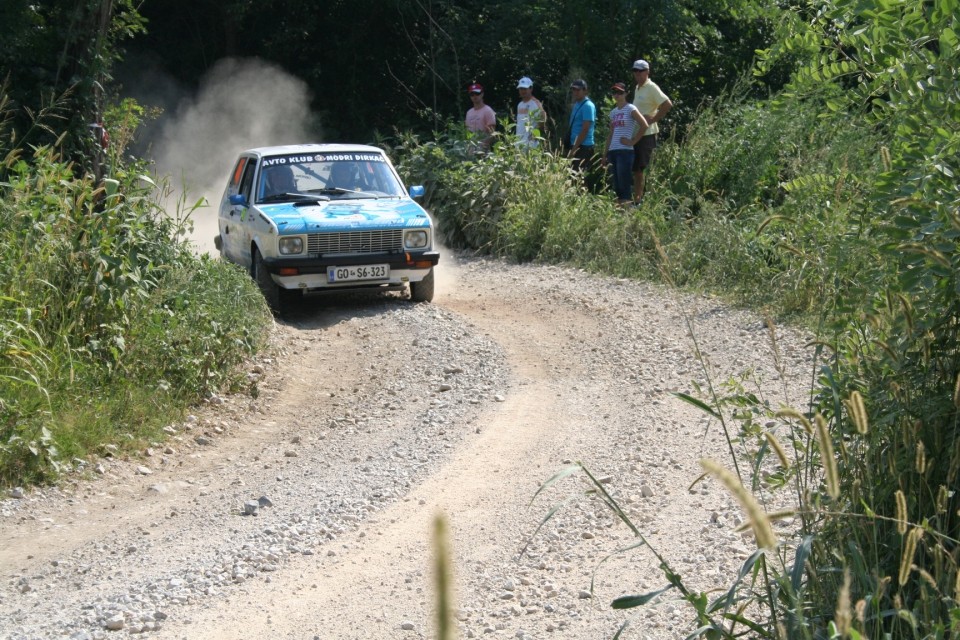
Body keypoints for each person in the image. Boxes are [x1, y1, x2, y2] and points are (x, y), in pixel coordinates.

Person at [630, 59, 672, 204]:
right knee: (636, 169)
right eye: (635, 71)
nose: (638, 74)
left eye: (641, 71)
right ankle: (637, 199)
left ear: (647, 72)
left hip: (647, 134)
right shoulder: (638, 87)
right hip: (637, 133)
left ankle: (640, 201)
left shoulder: (651, 87)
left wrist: (652, 119)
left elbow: (667, 104)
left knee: (642, 168)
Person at [602, 82, 649, 206]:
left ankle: (627, 213)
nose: (617, 95)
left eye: (620, 92)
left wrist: (632, 141)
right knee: (616, 185)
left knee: (624, 184)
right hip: (613, 151)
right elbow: (611, 133)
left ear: (626, 93)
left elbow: (644, 125)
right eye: (614, 92)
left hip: (625, 151)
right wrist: (604, 154)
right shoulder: (613, 112)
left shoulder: (631, 109)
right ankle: (620, 213)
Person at [566, 79, 596, 183]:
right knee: (572, 175)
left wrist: (574, 148)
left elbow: (585, 129)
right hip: (575, 144)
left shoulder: (588, 106)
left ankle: (582, 198)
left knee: (580, 176)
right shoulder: (577, 104)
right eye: (573, 89)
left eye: (578, 90)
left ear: (585, 91)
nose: (575, 92)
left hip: (583, 146)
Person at [515, 76, 546, 149]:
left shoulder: (536, 103)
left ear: (531, 88)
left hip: (531, 144)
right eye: (521, 89)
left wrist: (534, 135)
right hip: (519, 143)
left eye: (525, 89)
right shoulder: (520, 105)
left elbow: (543, 118)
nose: (523, 91)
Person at [465, 83, 496, 150]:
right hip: (470, 149)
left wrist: (483, 147)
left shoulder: (488, 111)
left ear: (482, 94)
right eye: (472, 94)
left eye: (477, 93)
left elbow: (492, 133)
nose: (474, 96)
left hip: (483, 150)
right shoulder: (469, 112)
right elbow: (467, 132)